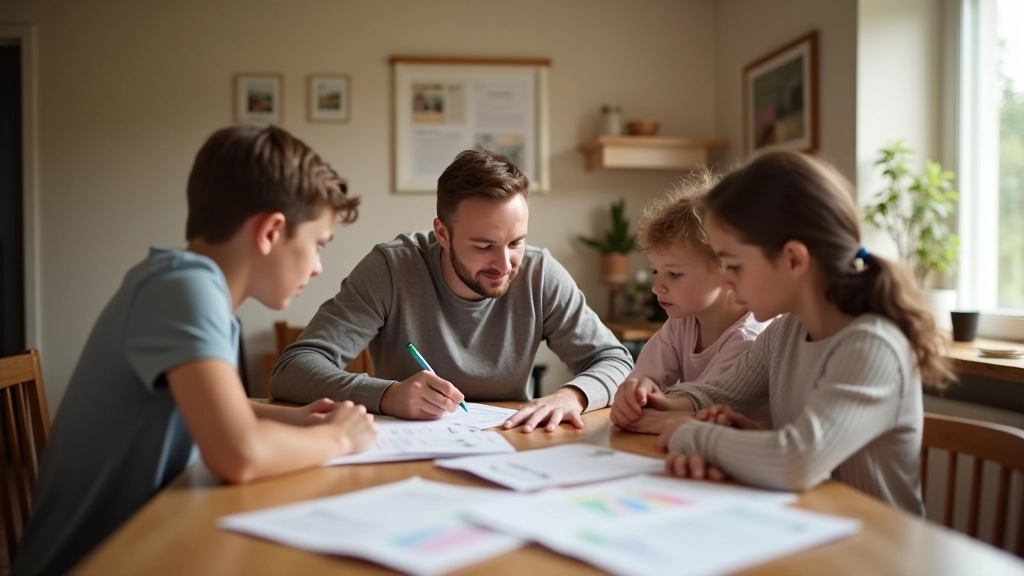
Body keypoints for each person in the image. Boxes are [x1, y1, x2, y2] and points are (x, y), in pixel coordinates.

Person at [13, 125, 378, 576]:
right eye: (318, 245)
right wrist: (338, 437)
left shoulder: (195, 291)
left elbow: (203, 407)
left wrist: (292, 418)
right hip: (92, 562)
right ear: (270, 232)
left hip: (147, 544)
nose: (319, 266)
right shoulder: (184, 288)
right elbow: (238, 455)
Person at [615, 151, 952, 515]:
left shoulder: (872, 345)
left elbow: (797, 460)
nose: (725, 280)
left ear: (793, 260)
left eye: (734, 265)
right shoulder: (786, 331)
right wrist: (657, 402)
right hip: (809, 525)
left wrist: (693, 434)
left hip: (876, 550)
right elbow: (719, 392)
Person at [271, 149, 634, 433]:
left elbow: (616, 360)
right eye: (483, 246)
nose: (504, 263)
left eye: (516, 243)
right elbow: (292, 370)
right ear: (442, 234)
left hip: (508, 443)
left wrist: (573, 395)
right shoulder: (392, 269)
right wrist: (386, 395)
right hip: (407, 449)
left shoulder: (539, 273)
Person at [610, 173, 771, 434]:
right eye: (655, 272)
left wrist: (649, 404)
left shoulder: (748, 338)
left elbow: (704, 403)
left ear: (725, 269)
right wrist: (633, 392)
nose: (656, 287)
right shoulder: (680, 324)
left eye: (674, 274)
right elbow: (645, 378)